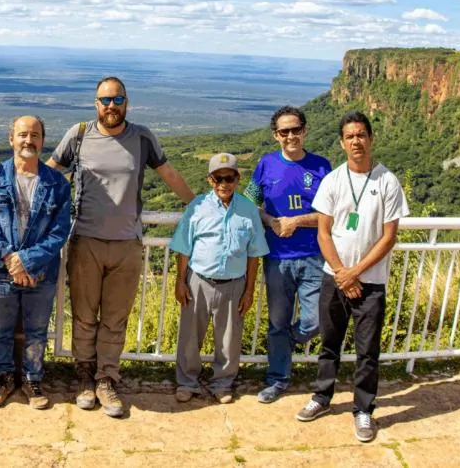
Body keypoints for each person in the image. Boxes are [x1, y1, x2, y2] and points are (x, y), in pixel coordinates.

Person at [47, 76, 195, 417]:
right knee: (84, 318)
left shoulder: (141, 137)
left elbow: (169, 174)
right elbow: (51, 174)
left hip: (128, 243)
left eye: (116, 99)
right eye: (104, 100)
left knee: (115, 319)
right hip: (85, 240)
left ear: (127, 101)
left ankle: (106, 380)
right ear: (95, 103)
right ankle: (84, 376)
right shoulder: (79, 134)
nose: (110, 106)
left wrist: (199, 205)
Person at [296, 112, 408, 444]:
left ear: (370, 139)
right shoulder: (332, 180)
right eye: (350, 136)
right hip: (335, 279)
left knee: (367, 350)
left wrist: (354, 273)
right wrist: (343, 274)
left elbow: (389, 238)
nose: (356, 141)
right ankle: (322, 396)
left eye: (361, 135)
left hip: (370, 283)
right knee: (329, 344)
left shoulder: (387, 181)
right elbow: (324, 233)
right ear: (342, 143)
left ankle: (363, 410)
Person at [0, 115, 70, 410]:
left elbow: (59, 232)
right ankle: (3, 377)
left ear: (43, 141)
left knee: (37, 330)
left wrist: (27, 261)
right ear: (11, 139)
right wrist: (11, 260)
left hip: (40, 273)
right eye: (22, 135)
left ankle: (33, 378)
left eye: (34, 135)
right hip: (1, 271)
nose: (28, 141)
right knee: (1, 329)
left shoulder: (57, 184)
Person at [244, 106, 331, 404]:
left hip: (314, 256)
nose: (290, 136)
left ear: (305, 130)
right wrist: (270, 221)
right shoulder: (266, 165)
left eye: (295, 129)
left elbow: (330, 212)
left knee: (316, 319)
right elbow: (249, 204)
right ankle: (277, 379)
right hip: (277, 258)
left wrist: (297, 221)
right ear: (275, 135)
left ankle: (287, 342)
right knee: (277, 321)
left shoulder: (322, 167)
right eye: (284, 132)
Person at [171, 153, 269, 404]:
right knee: (190, 336)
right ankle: (186, 382)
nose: (224, 183)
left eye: (229, 178)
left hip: (234, 283)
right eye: (218, 178)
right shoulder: (198, 206)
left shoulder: (248, 210)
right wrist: (180, 281)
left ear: (238, 179)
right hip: (199, 280)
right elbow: (183, 247)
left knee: (229, 339)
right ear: (210, 180)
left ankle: (223, 383)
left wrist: (249, 290)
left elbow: (254, 254)